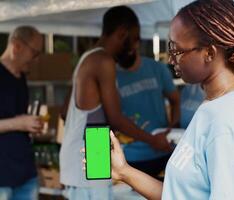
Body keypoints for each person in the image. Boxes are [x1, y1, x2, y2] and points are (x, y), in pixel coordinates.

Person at [99, 0, 234, 199]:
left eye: (177, 50)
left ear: (209, 53)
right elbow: (177, 195)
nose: (171, 59)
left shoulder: (228, 123)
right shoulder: (214, 106)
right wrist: (123, 171)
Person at [60, 6, 173, 200]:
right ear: (122, 33)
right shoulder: (104, 60)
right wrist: (153, 140)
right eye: (134, 39)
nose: (134, 47)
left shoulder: (87, 57)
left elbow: (64, 112)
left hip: (78, 157)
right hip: (91, 155)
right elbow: (116, 118)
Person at [114, 6, 180, 178]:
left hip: (163, 153)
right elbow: (115, 119)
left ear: (137, 42)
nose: (127, 52)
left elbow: (175, 99)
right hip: (130, 157)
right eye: (122, 50)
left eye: (130, 47)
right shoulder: (111, 75)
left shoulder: (156, 68)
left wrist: (173, 128)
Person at [0, 26, 44, 200]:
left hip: (25, 174)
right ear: (16, 46)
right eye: (34, 53)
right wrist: (19, 123)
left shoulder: (21, 76)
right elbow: (16, 121)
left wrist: (30, 125)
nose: (36, 60)